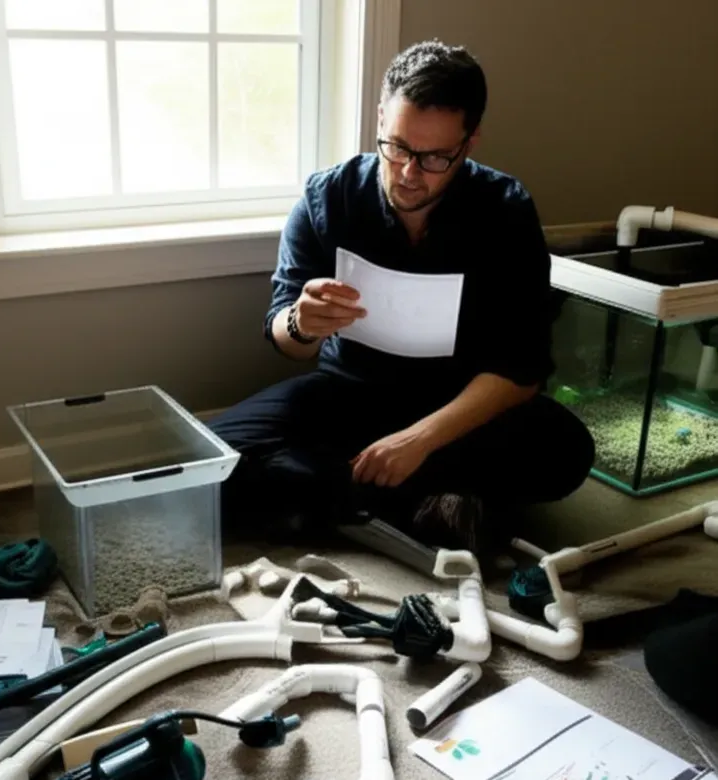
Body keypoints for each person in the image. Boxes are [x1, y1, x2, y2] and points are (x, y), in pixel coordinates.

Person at [208, 40, 595, 551]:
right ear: (380, 118)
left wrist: (419, 440)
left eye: (435, 158)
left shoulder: (504, 211)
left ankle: (343, 501)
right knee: (215, 458)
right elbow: (285, 337)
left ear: (470, 141)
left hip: (459, 410)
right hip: (349, 393)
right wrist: (301, 321)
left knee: (566, 450)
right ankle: (423, 504)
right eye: (396, 147)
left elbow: (521, 371)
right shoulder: (329, 197)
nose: (410, 173)